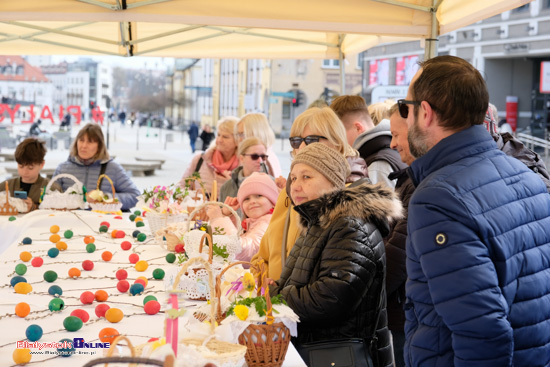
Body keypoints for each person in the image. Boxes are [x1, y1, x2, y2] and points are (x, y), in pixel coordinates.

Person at [402, 55, 550, 367]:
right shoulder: (527, 176)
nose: (406, 118)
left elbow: (482, 330)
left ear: (425, 112)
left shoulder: (438, 198)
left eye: (407, 107)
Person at [270, 143, 402, 367]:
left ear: (332, 181)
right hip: (318, 349)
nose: (296, 186)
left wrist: (276, 297)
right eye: (293, 178)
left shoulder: (351, 225)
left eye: (306, 177)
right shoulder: (318, 222)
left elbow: (331, 297)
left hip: (339, 355)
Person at [251, 107, 367, 281]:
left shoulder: (346, 199)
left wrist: (280, 292)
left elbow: (333, 284)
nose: (302, 147)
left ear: (337, 143)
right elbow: (262, 256)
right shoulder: (289, 192)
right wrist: (264, 284)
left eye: (312, 140)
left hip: (303, 304)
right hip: (275, 303)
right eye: (297, 141)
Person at [386, 103, 416, 367]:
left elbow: (398, 253)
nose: (393, 144)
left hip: (404, 312)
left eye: (396, 135)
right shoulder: (410, 176)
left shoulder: (422, 183)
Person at [53, 123, 140, 211]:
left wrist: (105, 198)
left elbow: (135, 196)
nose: (84, 146)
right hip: (69, 222)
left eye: (90, 142)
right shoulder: (62, 169)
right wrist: (76, 200)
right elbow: (48, 198)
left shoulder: (113, 168)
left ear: (99, 146)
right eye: (81, 140)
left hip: (103, 222)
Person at [331, 95, 406, 188]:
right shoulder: (388, 151)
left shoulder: (376, 166)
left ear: (358, 128)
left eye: (339, 134)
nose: (337, 141)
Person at [207, 172, 279, 265]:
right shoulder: (254, 222)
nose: (252, 201)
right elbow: (239, 239)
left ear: (273, 201)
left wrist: (218, 219)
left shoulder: (267, 222)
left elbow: (243, 252)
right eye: (246, 199)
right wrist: (226, 215)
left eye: (259, 196)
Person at [180, 117, 239, 197]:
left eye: (225, 137)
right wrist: (194, 200)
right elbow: (181, 188)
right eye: (218, 135)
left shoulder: (243, 167)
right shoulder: (200, 159)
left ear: (237, 141)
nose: (219, 140)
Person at [0, 138, 60, 212]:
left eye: (30, 168)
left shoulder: (52, 188)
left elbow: (59, 212)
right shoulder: (6, 186)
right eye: (21, 166)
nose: (25, 172)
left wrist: (34, 207)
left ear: (42, 164)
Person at [219, 137, 269, 206]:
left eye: (263, 157)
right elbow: (221, 215)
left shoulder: (273, 184)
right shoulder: (226, 187)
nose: (260, 161)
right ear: (242, 158)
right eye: (254, 156)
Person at [235, 113, 281, 178]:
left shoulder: (265, 158)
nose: (239, 139)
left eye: (242, 134)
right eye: (238, 135)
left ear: (256, 133)